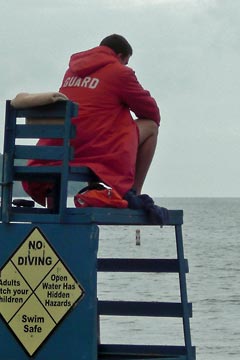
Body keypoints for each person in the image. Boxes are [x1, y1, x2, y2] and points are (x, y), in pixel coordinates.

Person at [22, 34, 160, 207]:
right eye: (126, 61)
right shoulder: (120, 73)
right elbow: (151, 112)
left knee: (94, 121)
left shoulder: (71, 71)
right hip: (95, 150)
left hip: (62, 150)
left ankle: (64, 203)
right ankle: (133, 192)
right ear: (119, 56)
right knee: (151, 127)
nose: (125, 65)